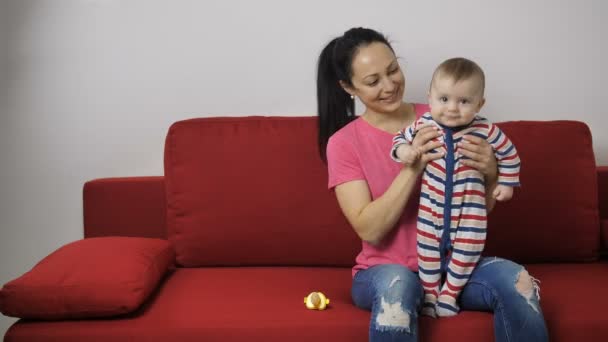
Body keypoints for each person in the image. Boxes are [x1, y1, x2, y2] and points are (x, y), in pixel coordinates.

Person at [316, 27, 548, 342]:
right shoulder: (344, 143)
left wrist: (492, 171)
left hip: (456, 270)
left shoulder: (447, 111)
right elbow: (369, 229)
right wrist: (413, 165)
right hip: (386, 270)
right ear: (348, 87)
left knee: (516, 280)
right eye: (373, 81)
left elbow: (480, 207)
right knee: (399, 286)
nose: (389, 85)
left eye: (393, 70)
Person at [390, 57, 521, 317]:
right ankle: (430, 294)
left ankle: (450, 293)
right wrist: (404, 149)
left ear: (480, 104)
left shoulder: (486, 130)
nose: (452, 108)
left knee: (468, 248)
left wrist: (506, 182)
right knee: (426, 249)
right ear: (430, 98)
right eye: (444, 99)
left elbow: (510, 155)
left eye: (464, 101)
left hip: (471, 210)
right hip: (431, 207)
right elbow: (399, 138)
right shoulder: (424, 124)